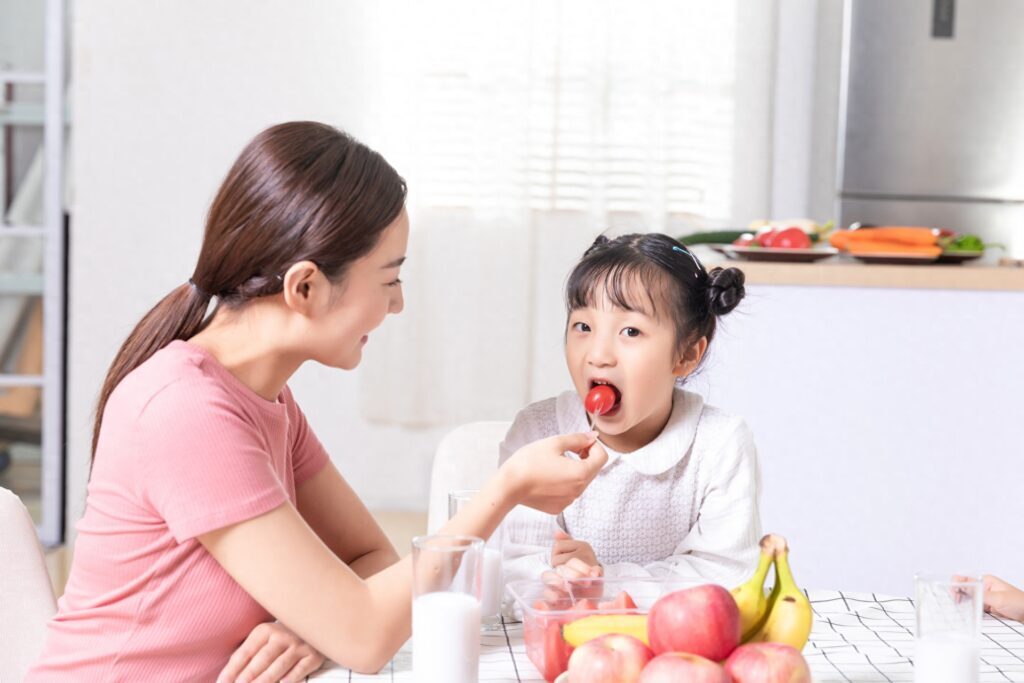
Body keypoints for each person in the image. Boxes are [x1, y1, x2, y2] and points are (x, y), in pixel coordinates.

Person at [26, 122, 608, 682]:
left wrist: (307, 626)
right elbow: (365, 636)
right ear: (304, 287)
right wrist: (503, 490)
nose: (397, 305)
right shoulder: (187, 411)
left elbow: (371, 558)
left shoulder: (266, 398)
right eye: (388, 280)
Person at [499, 232, 761, 589]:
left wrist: (607, 580)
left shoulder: (719, 444)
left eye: (631, 331)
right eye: (583, 327)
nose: (598, 354)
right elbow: (509, 564)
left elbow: (727, 574)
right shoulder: (537, 432)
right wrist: (559, 578)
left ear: (686, 355)